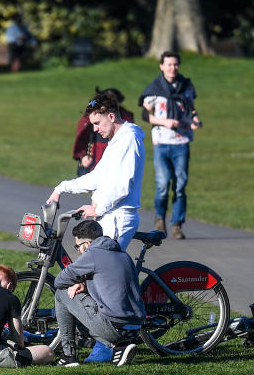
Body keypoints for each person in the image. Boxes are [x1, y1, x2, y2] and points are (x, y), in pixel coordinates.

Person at [48, 89, 144, 250]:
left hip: (117, 218)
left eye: (97, 123)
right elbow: (97, 177)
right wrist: (62, 187)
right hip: (108, 215)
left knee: (101, 270)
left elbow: (122, 185)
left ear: (112, 117)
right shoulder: (116, 141)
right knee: (94, 269)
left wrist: (97, 209)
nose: (94, 129)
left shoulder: (128, 139)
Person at [52, 219, 145, 367]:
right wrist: (85, 286)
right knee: (84, 316)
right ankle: (120, 348)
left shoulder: (92, 254)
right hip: (135, 328)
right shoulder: (122, 253)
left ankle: (69, 355)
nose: (78, 251)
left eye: (78, 247)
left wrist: (78, 282)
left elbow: (59, 281)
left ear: (87, 244)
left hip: (114, 327)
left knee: (62, 294)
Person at [138, 51, 200, 240]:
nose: (172, 68)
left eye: (175, 64)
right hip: (162, 142)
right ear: (161, 66)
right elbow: (145, 115)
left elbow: (191, 108)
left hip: (181, 142)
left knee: (180, 185)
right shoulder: (155, 88)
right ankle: (159, 219)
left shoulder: (186, 86)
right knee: (163, 184)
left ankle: (177, 225)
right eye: (169, 64)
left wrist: (195, 120)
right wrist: (165, 122)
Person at [72, 86, 135, 176]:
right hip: (96, 152)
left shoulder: (128, 127)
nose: (95, 128)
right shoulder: (93, 114)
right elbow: (82, 135)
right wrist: (83, 156)